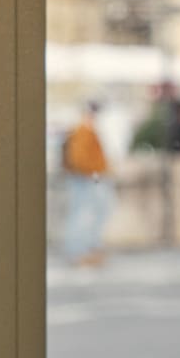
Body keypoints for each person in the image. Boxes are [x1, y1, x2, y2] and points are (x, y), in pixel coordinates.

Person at [61, 102, 114, 266]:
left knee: (86, 215)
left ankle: (86, 250)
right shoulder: (83, 130)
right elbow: (80, 160)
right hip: (87, 179)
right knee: (84, 216)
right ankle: (81, 252)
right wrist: (94, 175)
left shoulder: (82, 129)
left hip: (86, 178)